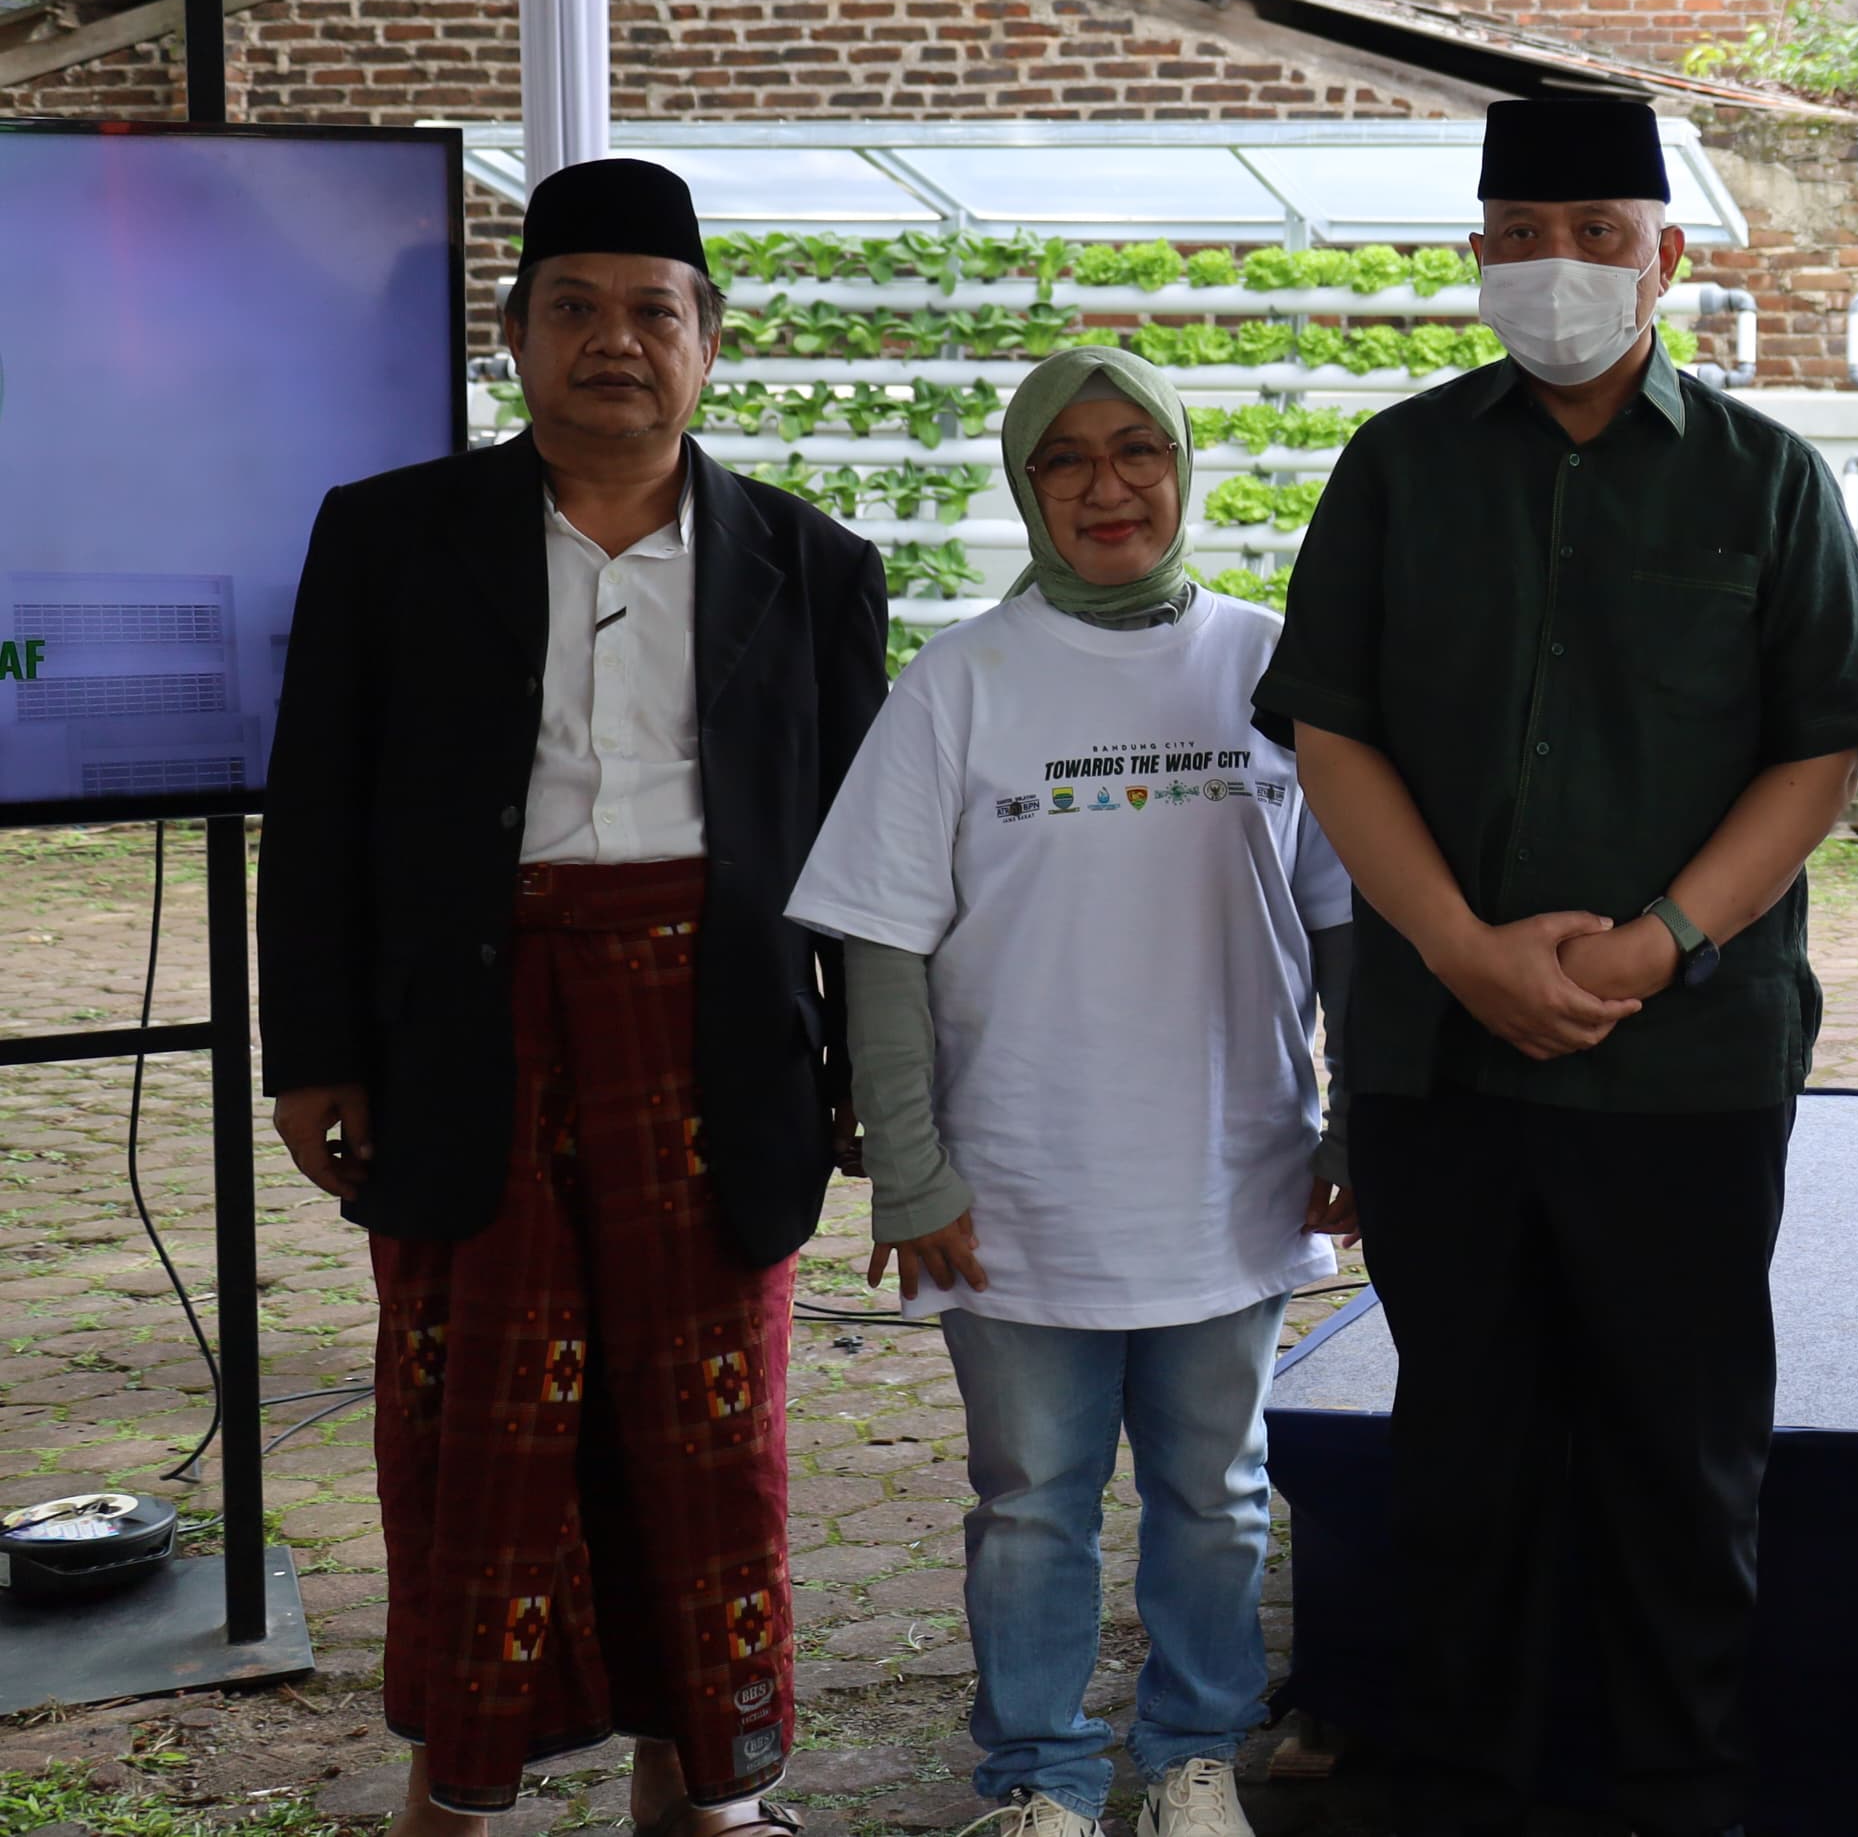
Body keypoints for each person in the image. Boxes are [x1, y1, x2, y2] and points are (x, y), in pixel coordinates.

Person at [1253, 96, 1858, 1837]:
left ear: (1666, 259)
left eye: (1599, 233)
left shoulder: (1766, 479)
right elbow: (1332, 728)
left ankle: (1677, 1784)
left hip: (1685, 1059)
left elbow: (1821, 750)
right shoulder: (1399, 470)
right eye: (1525, 232)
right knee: (1461, 1434)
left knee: (1681, 1448)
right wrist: (1460, 947)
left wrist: (1660, 941)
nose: (1562, 266)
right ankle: (1463, 1776)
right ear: (1479, 257)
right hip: (1438, 1050)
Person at [261, 159, 889, 1837]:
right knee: (476, 1420)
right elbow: (317, 803)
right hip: (469, 1031)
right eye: (576, 306)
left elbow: (856, 858)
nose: (616, 340)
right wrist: (313, 1051)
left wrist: (868, 1079)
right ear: (513, 333)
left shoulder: (816, 566)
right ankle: (451, 1786)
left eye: (653, 309)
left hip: (714, 1036)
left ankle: (705, 1785)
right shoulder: (388, 536)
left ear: (709, 340)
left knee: (703, 1425)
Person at [780, 348, 1358, 1837]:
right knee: (1031, 1500)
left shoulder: (1273, 665)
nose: (1109, 486)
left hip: (1234, 1170)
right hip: (1017, 1186)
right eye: (1067, 460)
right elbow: (882, 940)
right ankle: (1036, 1779)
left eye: (1136, 450)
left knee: (1218, 1496)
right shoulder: (958, 682)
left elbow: (1354, 917)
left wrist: (1357, 1123)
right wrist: (912, 1169)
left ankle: (1193, 1758)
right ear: (1026, 484)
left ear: (1181, 464)